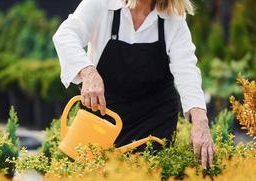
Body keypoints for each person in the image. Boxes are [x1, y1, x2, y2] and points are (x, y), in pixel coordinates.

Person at [53, 0, 215, 169]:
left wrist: (200, 121)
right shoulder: (103, 4)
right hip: (104, 117)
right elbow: (66, 35)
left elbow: (186, 70)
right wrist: (88, 72)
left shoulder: (172, 18)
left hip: (154, 124)